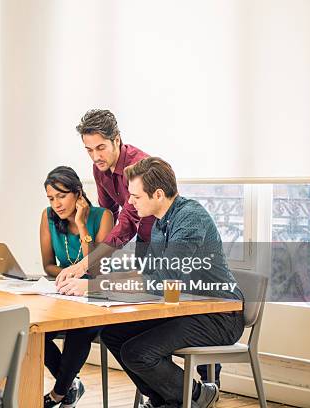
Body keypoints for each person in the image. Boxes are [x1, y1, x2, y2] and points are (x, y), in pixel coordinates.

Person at [96, 157, 245, 408]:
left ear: (158, 194)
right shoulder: (159, 223)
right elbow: (150, 275)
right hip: (186, 311)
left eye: (136, 196)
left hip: (219, 316)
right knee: (112, 334)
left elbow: (167, 279)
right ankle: (167, 399)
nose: (130, 202)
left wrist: (101, 287)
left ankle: (195, 396)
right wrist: (102, 282)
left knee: (138, 352)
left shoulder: (190, 218)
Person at [40, 166, 113, 408]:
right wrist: (67, 278)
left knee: (79, 328)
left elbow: (95, 269)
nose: (56, 204)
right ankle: (71, 385)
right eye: (51, 198)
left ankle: (59, 393)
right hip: (63, 294)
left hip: (96, 294)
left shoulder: (102, 217)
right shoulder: (48, 216)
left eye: (61, 196)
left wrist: (82, 226)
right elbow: (48, 265)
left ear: (78, 193)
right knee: (33, 332)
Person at [56, 109, 155, 283]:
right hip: (142, 243)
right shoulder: (99, 169)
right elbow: (107, 214)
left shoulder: (139, 167)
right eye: (89, 150)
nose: (95, 157)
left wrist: (86, 263)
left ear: (116, 140)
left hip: (162, 241)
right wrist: (94, 259)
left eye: (101, 148)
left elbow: (129, 221)